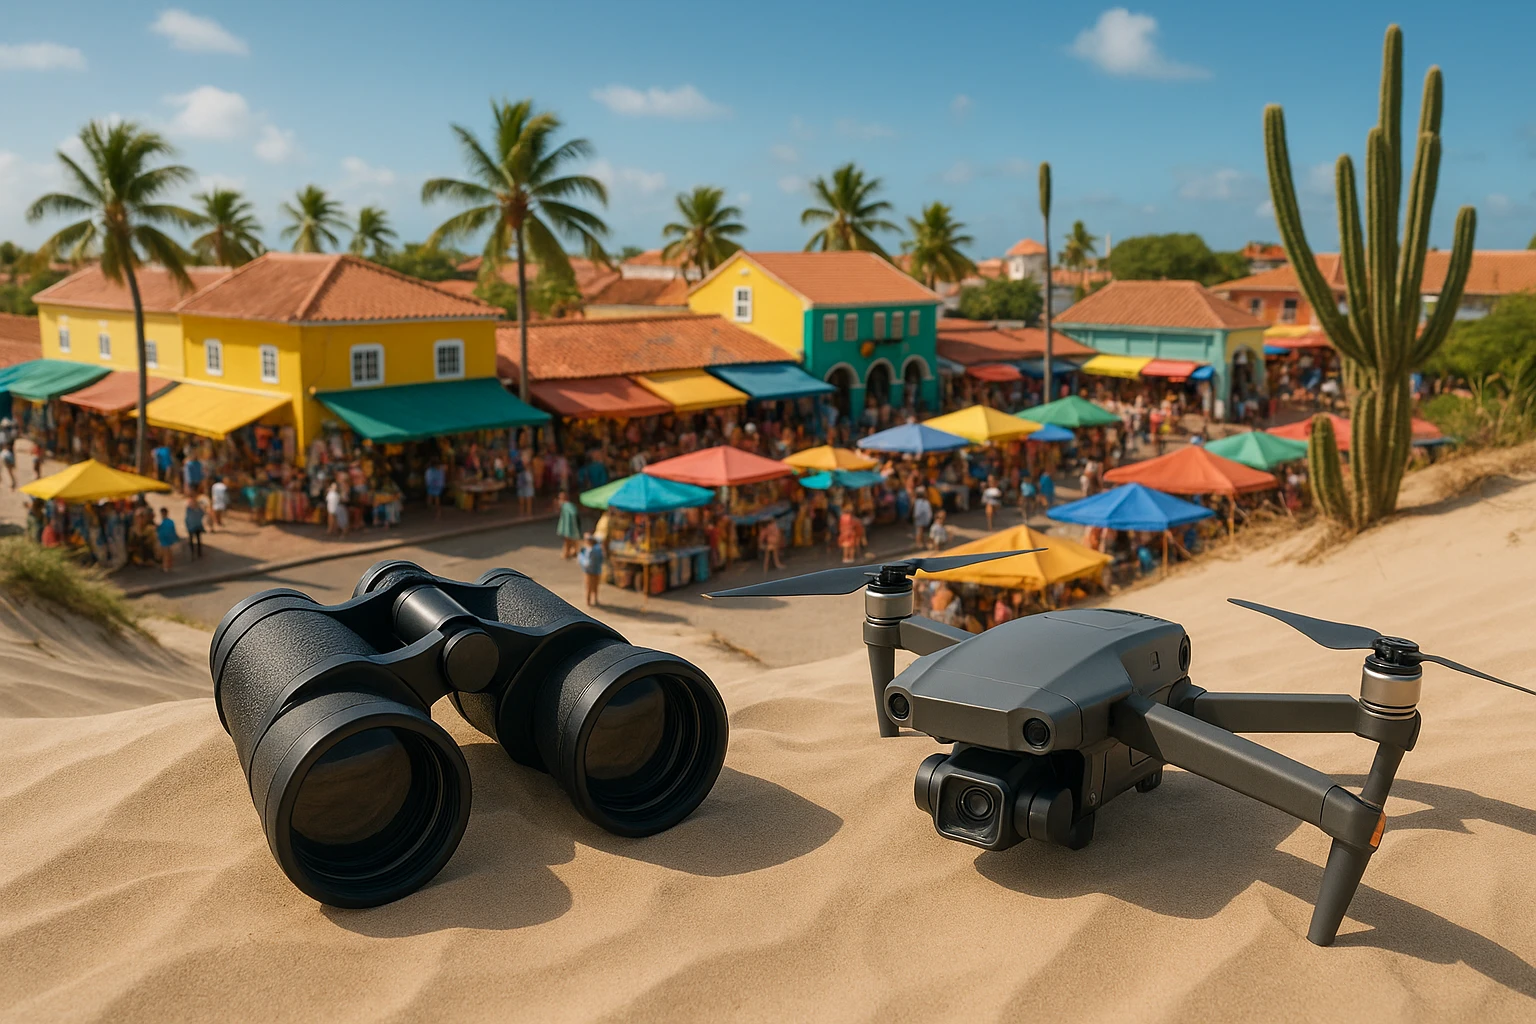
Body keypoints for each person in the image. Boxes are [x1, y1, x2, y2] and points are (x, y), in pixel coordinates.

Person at [577, 532, 604, 607]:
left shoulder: (593, 549)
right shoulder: (589, 549)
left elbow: (600, 558)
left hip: (593, 570)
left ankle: (593, 600)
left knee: (593, 586)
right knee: (590, 586)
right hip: (591, 571)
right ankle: (590, 600)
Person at [555, 490, 581, 558]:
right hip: (567, 527)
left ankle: (567, 553)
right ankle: (572, 551)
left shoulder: (568, 506)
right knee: (570, 540)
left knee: (569, 541)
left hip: (570, 527)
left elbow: (574, 513)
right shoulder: (565, 505)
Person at [155, 507, 179, 573]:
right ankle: (168, 566)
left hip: (165, 541)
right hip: (168, 540)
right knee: (169, 554)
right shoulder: (169, 522)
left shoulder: (164, 522)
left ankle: (165, 567)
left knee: (166, 555)